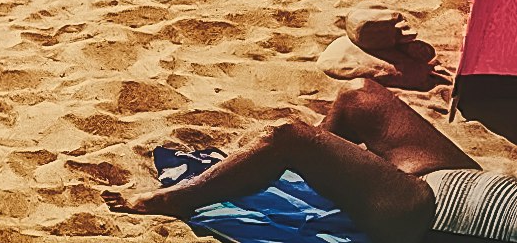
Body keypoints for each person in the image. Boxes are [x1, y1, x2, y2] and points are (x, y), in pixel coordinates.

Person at [101, 82, 517, 242]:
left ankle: (178, 199)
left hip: (423, 216)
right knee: (360, 97)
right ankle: (315, 175)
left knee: (289, 136)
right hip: (463, 182)